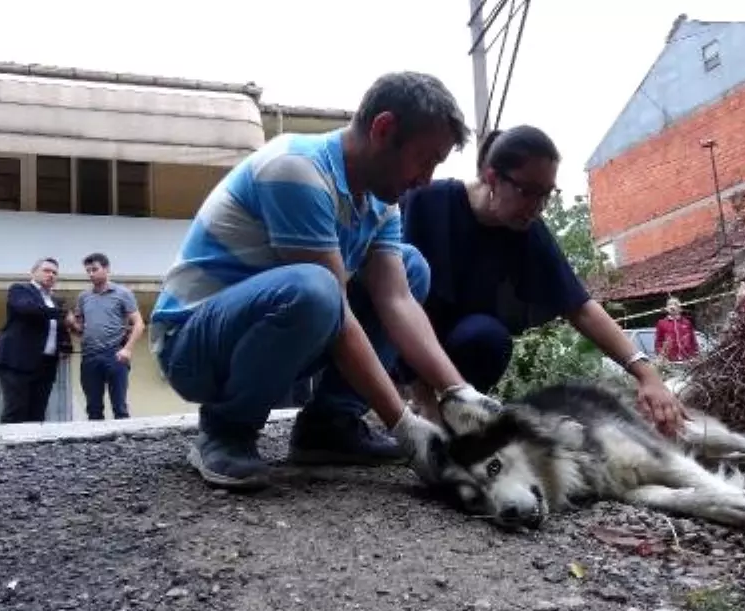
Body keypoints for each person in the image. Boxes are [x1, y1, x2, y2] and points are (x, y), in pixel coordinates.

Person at [149, 71, 501, 489]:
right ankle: (226, 430)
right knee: (317, 290)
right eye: (425, 160)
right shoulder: (296, 169)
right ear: (384, 129)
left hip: (276, 327)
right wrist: (405, 427)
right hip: (191, 344)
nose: (425, 179)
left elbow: (397, 301)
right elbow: (336, 313)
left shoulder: (379, 199)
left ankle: (330, 425)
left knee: (409, 266)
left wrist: (458, 392)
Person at [400, 125, 685, 436]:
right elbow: (395, 303)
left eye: (546, 195)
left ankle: (457, 415)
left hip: (456, 347)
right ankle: (416, 408)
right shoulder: (426, 202)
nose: (537, 207)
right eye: (527, 192)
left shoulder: (526, 229)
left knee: (487, 337)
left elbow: (580, 307)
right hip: (399, 338)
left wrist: (647, 375)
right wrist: (424, 401)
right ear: (493, 178)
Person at [0, 257, 73, 424]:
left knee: (38, 412)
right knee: (16, 410)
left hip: (46, 364)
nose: (51, 275)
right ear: (33, 272)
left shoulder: (55, 300)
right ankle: (10, 448)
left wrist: (65, 346)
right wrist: (62, 314)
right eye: (46, 271)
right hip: (17, 362)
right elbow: (27, 309)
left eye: (55, 273)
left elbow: (59, 327)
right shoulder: (20, 290)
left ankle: (33, 450)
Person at [69, 252, 144, 420]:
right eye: (88, 270)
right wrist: (72, 324)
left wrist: (127, 349)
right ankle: (95, 446)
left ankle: (124, 444)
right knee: (93, 408)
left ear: (107, 269)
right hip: (89, 356)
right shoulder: (83, 297)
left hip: (115, 354)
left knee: (119, 406)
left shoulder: (123, 293)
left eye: (94, 269)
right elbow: (80, 329)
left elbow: (139, 324)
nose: (91, 274)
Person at [654, 296, 700, 363]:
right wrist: (661, 356)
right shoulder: (661, 323)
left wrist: (696, 355)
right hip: (670, 361)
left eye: (675, 304)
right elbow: (658, 342)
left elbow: (693, 340)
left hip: (687, 360)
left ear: (680, 308)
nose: (672, 306)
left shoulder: (687, 323)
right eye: (670, 304)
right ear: (667, 308)